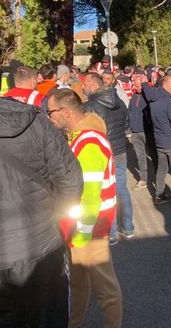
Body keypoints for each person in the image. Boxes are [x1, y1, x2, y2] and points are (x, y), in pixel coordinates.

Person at [0, 54, 83, 327]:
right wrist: (55, 220)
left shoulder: (35, 121)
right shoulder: (37, 121)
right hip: (40, 249)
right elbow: (71, 181)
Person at [47, 89, 122, 328]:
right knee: (78, 284)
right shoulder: (80, 135)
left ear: (66, 112)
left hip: (90, 228)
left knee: (106, 291)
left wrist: (81, 235)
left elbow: (90, 197)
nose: (49, 117)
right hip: (82, 227)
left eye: (51, 112)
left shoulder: (88, 142)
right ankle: (73, 322)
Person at [83, 72, 133, 244]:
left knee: (105, 193)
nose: (83, 87)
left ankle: (110, 233)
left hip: (102, 153)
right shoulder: (119, 101)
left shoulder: (89, 106)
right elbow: (127, 124)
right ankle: (127, 227)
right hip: (119, 151)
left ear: (93, 86)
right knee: (121, 189)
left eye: (85, 84)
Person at [143, 75, 171, 208]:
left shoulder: (153, 102)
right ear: (165, 86)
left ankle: (159, 195)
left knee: (161, 169)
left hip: (159, 142)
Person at [129, 72, 156, 190]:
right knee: (140, 157)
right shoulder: (134, 96)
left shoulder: (150, 96)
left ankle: (158, 178)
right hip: (135, 132)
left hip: (147, 131)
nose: (137, 88)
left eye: (139, 86)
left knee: (154, 155)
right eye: (136, 86)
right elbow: (130, 111)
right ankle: (143, 179)